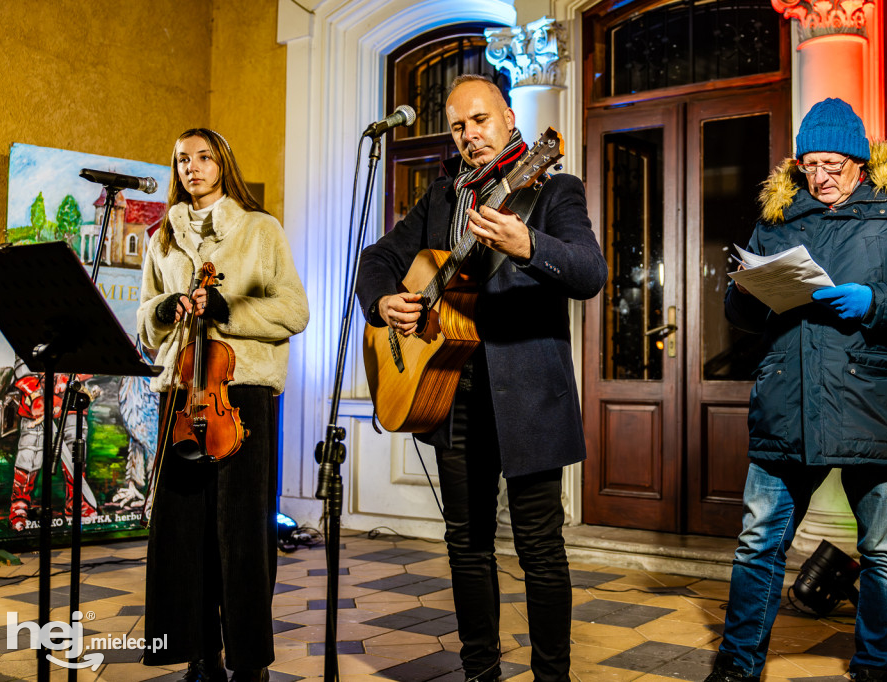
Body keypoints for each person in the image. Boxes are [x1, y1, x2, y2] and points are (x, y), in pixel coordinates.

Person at [356, 75, 607, 682]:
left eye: (481, 120)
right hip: (450, 393)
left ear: (509, 117)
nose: (470, 135)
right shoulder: (442, 198)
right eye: (459, 125)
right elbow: (379, 259)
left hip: (528, 397)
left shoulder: (552, 187)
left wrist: (529, 245)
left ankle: (553, 676)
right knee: (466, 544)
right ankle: (479, 672)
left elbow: (589, 271)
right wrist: (384, 301)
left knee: (540, 550)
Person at [708, 98, 887, 682]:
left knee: (884, 550)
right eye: (808, 165)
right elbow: (741, 315)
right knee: (758, 544)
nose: (819, 177)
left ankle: (876, 669)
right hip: (788, 402)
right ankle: (736, 667)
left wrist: (876, 302)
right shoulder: (775, 221)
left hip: (872, 402)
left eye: (832, 164)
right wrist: (746, 294)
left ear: (860, 160)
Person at [138, 128, 309, 682]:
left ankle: (249, 661)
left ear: (223, 164)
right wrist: (169, 307)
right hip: (182, 395)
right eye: (182, 159)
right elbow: (145, 322)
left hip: (243, 395)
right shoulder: (162, 237)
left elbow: (293, 311)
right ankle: (197, 652)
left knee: (242, 535)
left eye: (204, 157)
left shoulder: (262, 229)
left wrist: (226, 307)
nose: (192, 167)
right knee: (181, 533)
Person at [9, 357, 99, 530]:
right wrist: (35, 394)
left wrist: (70, 380)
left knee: (76, 447)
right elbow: (23, 362)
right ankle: (19, 508)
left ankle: (77, 503)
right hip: (37, 399)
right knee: (30, 450)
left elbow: (87, 358)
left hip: (71, 398)